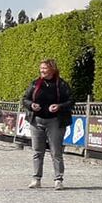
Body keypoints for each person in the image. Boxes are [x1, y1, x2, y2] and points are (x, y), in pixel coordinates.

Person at [22, 59, 74, 190]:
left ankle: (58, 179)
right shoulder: (35, 83)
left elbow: (71, 101)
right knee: (37, 151)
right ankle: (36, 178)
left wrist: (59, 106)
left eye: (45, 68)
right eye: (41, 68)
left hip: (55, 121)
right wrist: (31, 105)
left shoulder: (61, 84)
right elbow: (24, 99)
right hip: (37, 120)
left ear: (52, 69)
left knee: (56, 151)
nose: (42, 71)